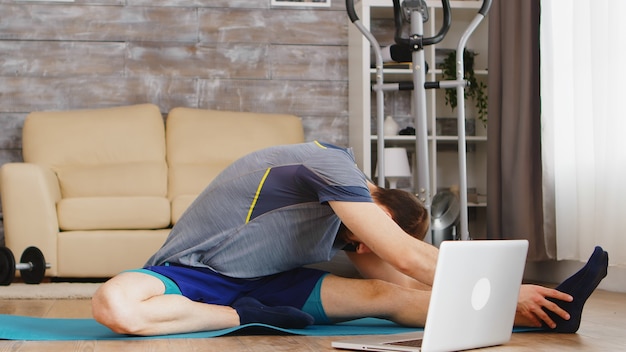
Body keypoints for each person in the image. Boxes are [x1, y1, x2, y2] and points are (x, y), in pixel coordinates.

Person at [92, 141, 608, 336]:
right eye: (368, 237)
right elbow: (405, 253)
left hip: (273, 284)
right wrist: (504, 287)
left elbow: (400, 280)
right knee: (115, 308)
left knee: (387, 296)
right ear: (374, 202)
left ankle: (554, 311)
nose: (360, 248)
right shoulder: (331, 167)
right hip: (190, 274)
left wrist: (518, 304)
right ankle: (246, 319)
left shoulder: (350, 236)